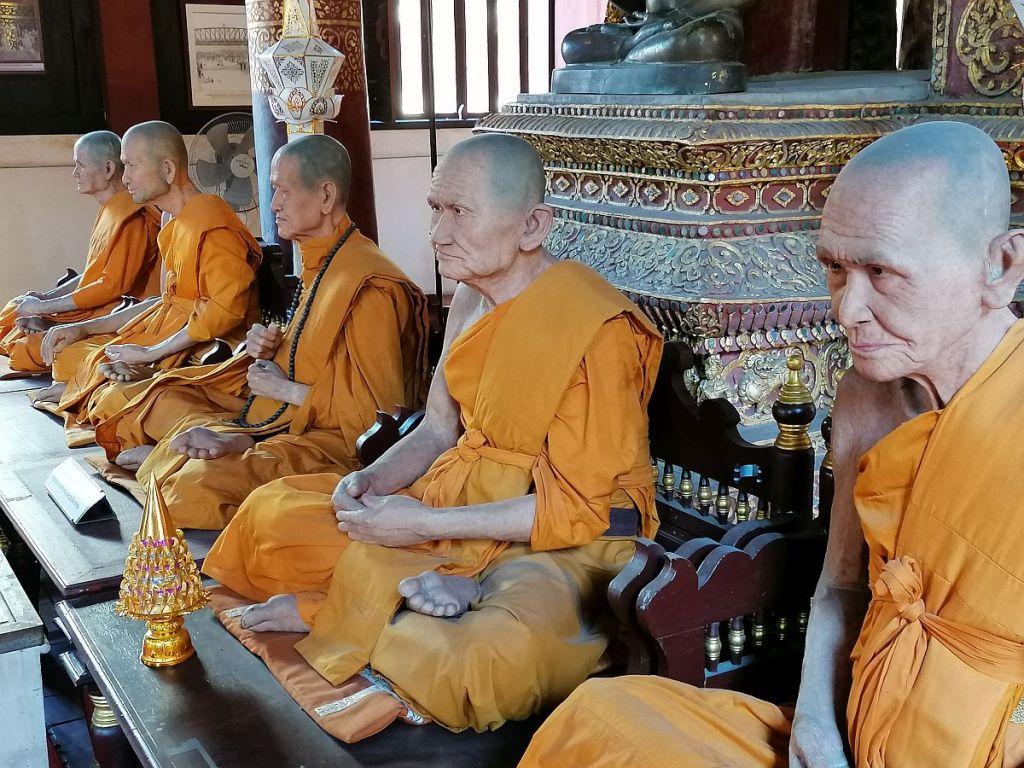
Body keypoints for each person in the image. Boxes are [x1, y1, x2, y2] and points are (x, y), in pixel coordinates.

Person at [516, 121, 1024, 767]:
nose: (846, 310)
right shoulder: (866, 399)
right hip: (846, 737)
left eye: (882, 272)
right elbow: (842, 586)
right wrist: (814, 720)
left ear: (1001, 266)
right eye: (834, 268)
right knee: (597, 719)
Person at [202, 133, 664, 732]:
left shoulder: (596, 327)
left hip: (562, 539)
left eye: (460, 212)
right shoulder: (471, 297)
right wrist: (369, 482)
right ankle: (419, 595)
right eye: (435, 210)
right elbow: (439, 429)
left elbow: (581, 507)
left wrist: (419, 525)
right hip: (459, 502)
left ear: (533, 226)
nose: (437, 234)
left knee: (474, 663)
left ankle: (341, 609)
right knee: (270, 517)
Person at [93, 135, 428, 530]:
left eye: (283, 192)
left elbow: (377, 419)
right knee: (170, 412)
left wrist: (284, 394)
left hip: (333, 445)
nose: (273, 206)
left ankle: (192, 459)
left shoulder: (370, 288)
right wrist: (267, 346)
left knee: (192, 485)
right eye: (273, 191)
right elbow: (310, 348)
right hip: (285, 419)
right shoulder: (320, 263)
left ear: (325, 196)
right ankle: (194, 453)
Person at [40, 121, 261, 444]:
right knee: (94, 362)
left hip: (211, 355)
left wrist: (151, 355)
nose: (124, 177)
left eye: (130, 165)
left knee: (117, 392)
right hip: (172, 335)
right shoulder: (174, 219)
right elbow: (165, 301)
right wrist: (85, 329)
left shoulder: (213, 226)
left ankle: (164, 426)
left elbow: (222, 315)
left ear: (168, 169)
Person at [0, 131, 160, 374]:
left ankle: (43, 326)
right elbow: (91, 274)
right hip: (98, 306)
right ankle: (41, 323)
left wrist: (45, 309)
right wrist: (44, 299)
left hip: (121, 312)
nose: (74, 172)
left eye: (80, 165)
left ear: (108, 169)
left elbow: (111, 287)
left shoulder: (132, 217)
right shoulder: (110, 210)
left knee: (27, 347)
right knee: (15, 308)